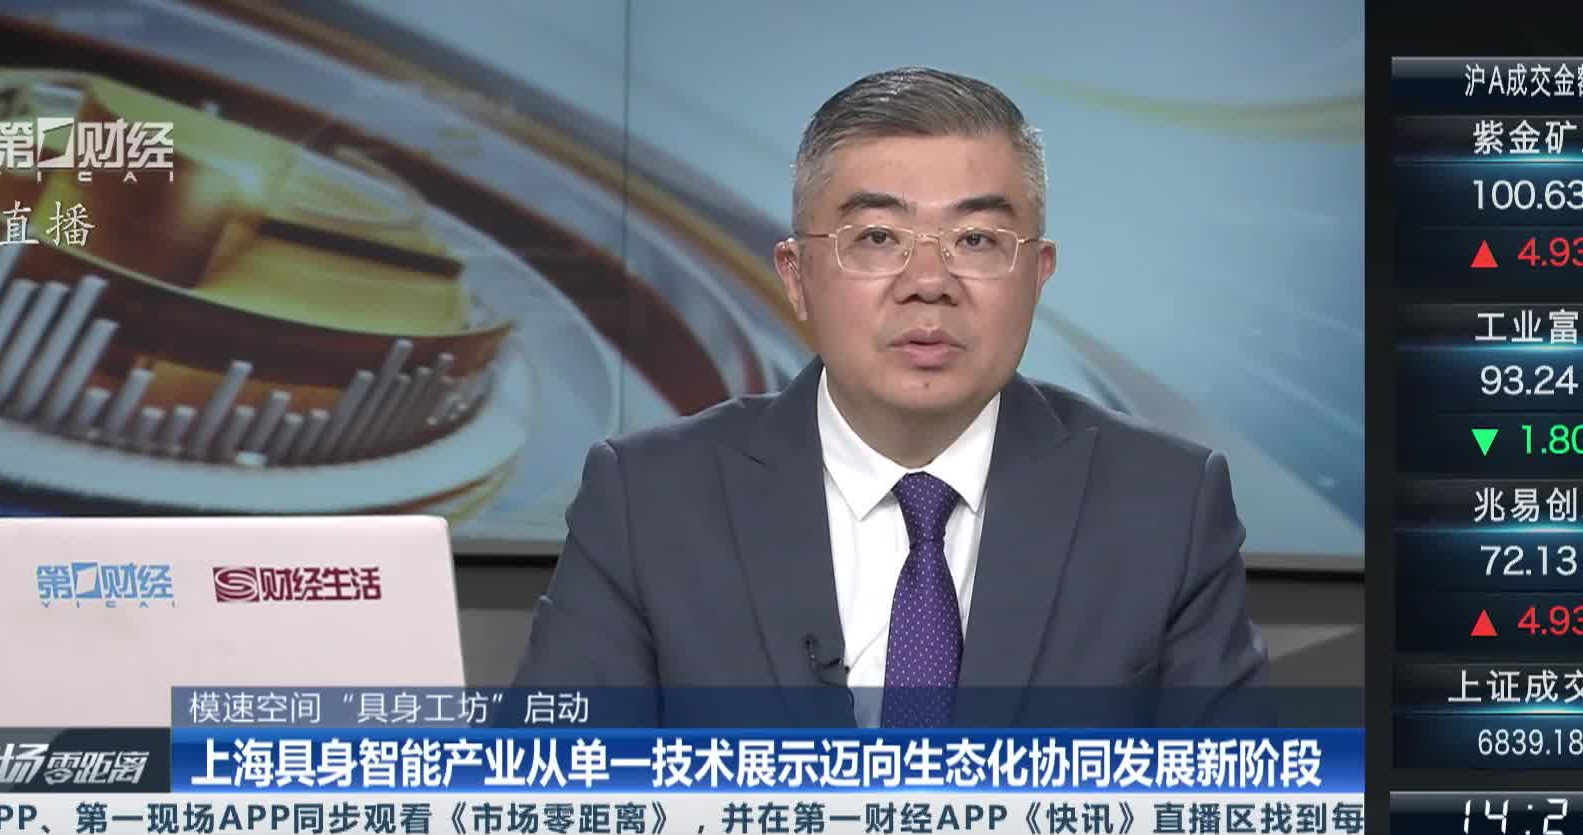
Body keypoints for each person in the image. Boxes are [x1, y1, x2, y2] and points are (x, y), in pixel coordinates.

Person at [515, 67, 1267, 726]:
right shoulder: (648, 499)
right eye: (877, 238)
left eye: (977, 240)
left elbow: (1236, 815)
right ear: (796, 277)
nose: (928, 282)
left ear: (1038, 275)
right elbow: (549, 797)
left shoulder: (1165, 505)